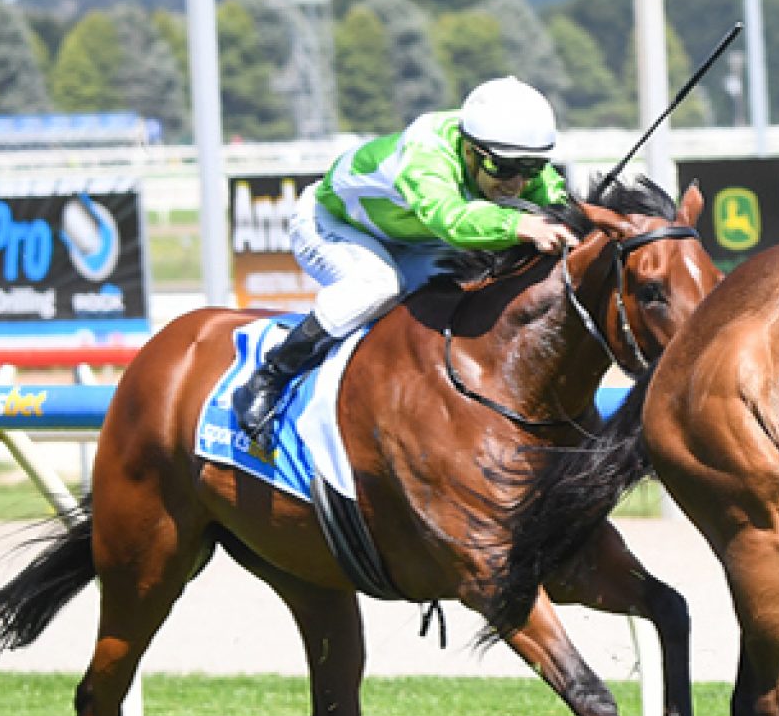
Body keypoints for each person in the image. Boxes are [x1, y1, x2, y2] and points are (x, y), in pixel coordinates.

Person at [231, 76, 581, 443]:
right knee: (379, 287)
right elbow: (450, 219)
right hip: (331, 224)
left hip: (412, 240)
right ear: (470, 150)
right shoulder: (426, 151)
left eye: (530, 169)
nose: (517, 184)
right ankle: (269, 376)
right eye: (504, 169)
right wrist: (520, 223)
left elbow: (558, 208)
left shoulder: (514, 164)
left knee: (464, 293)